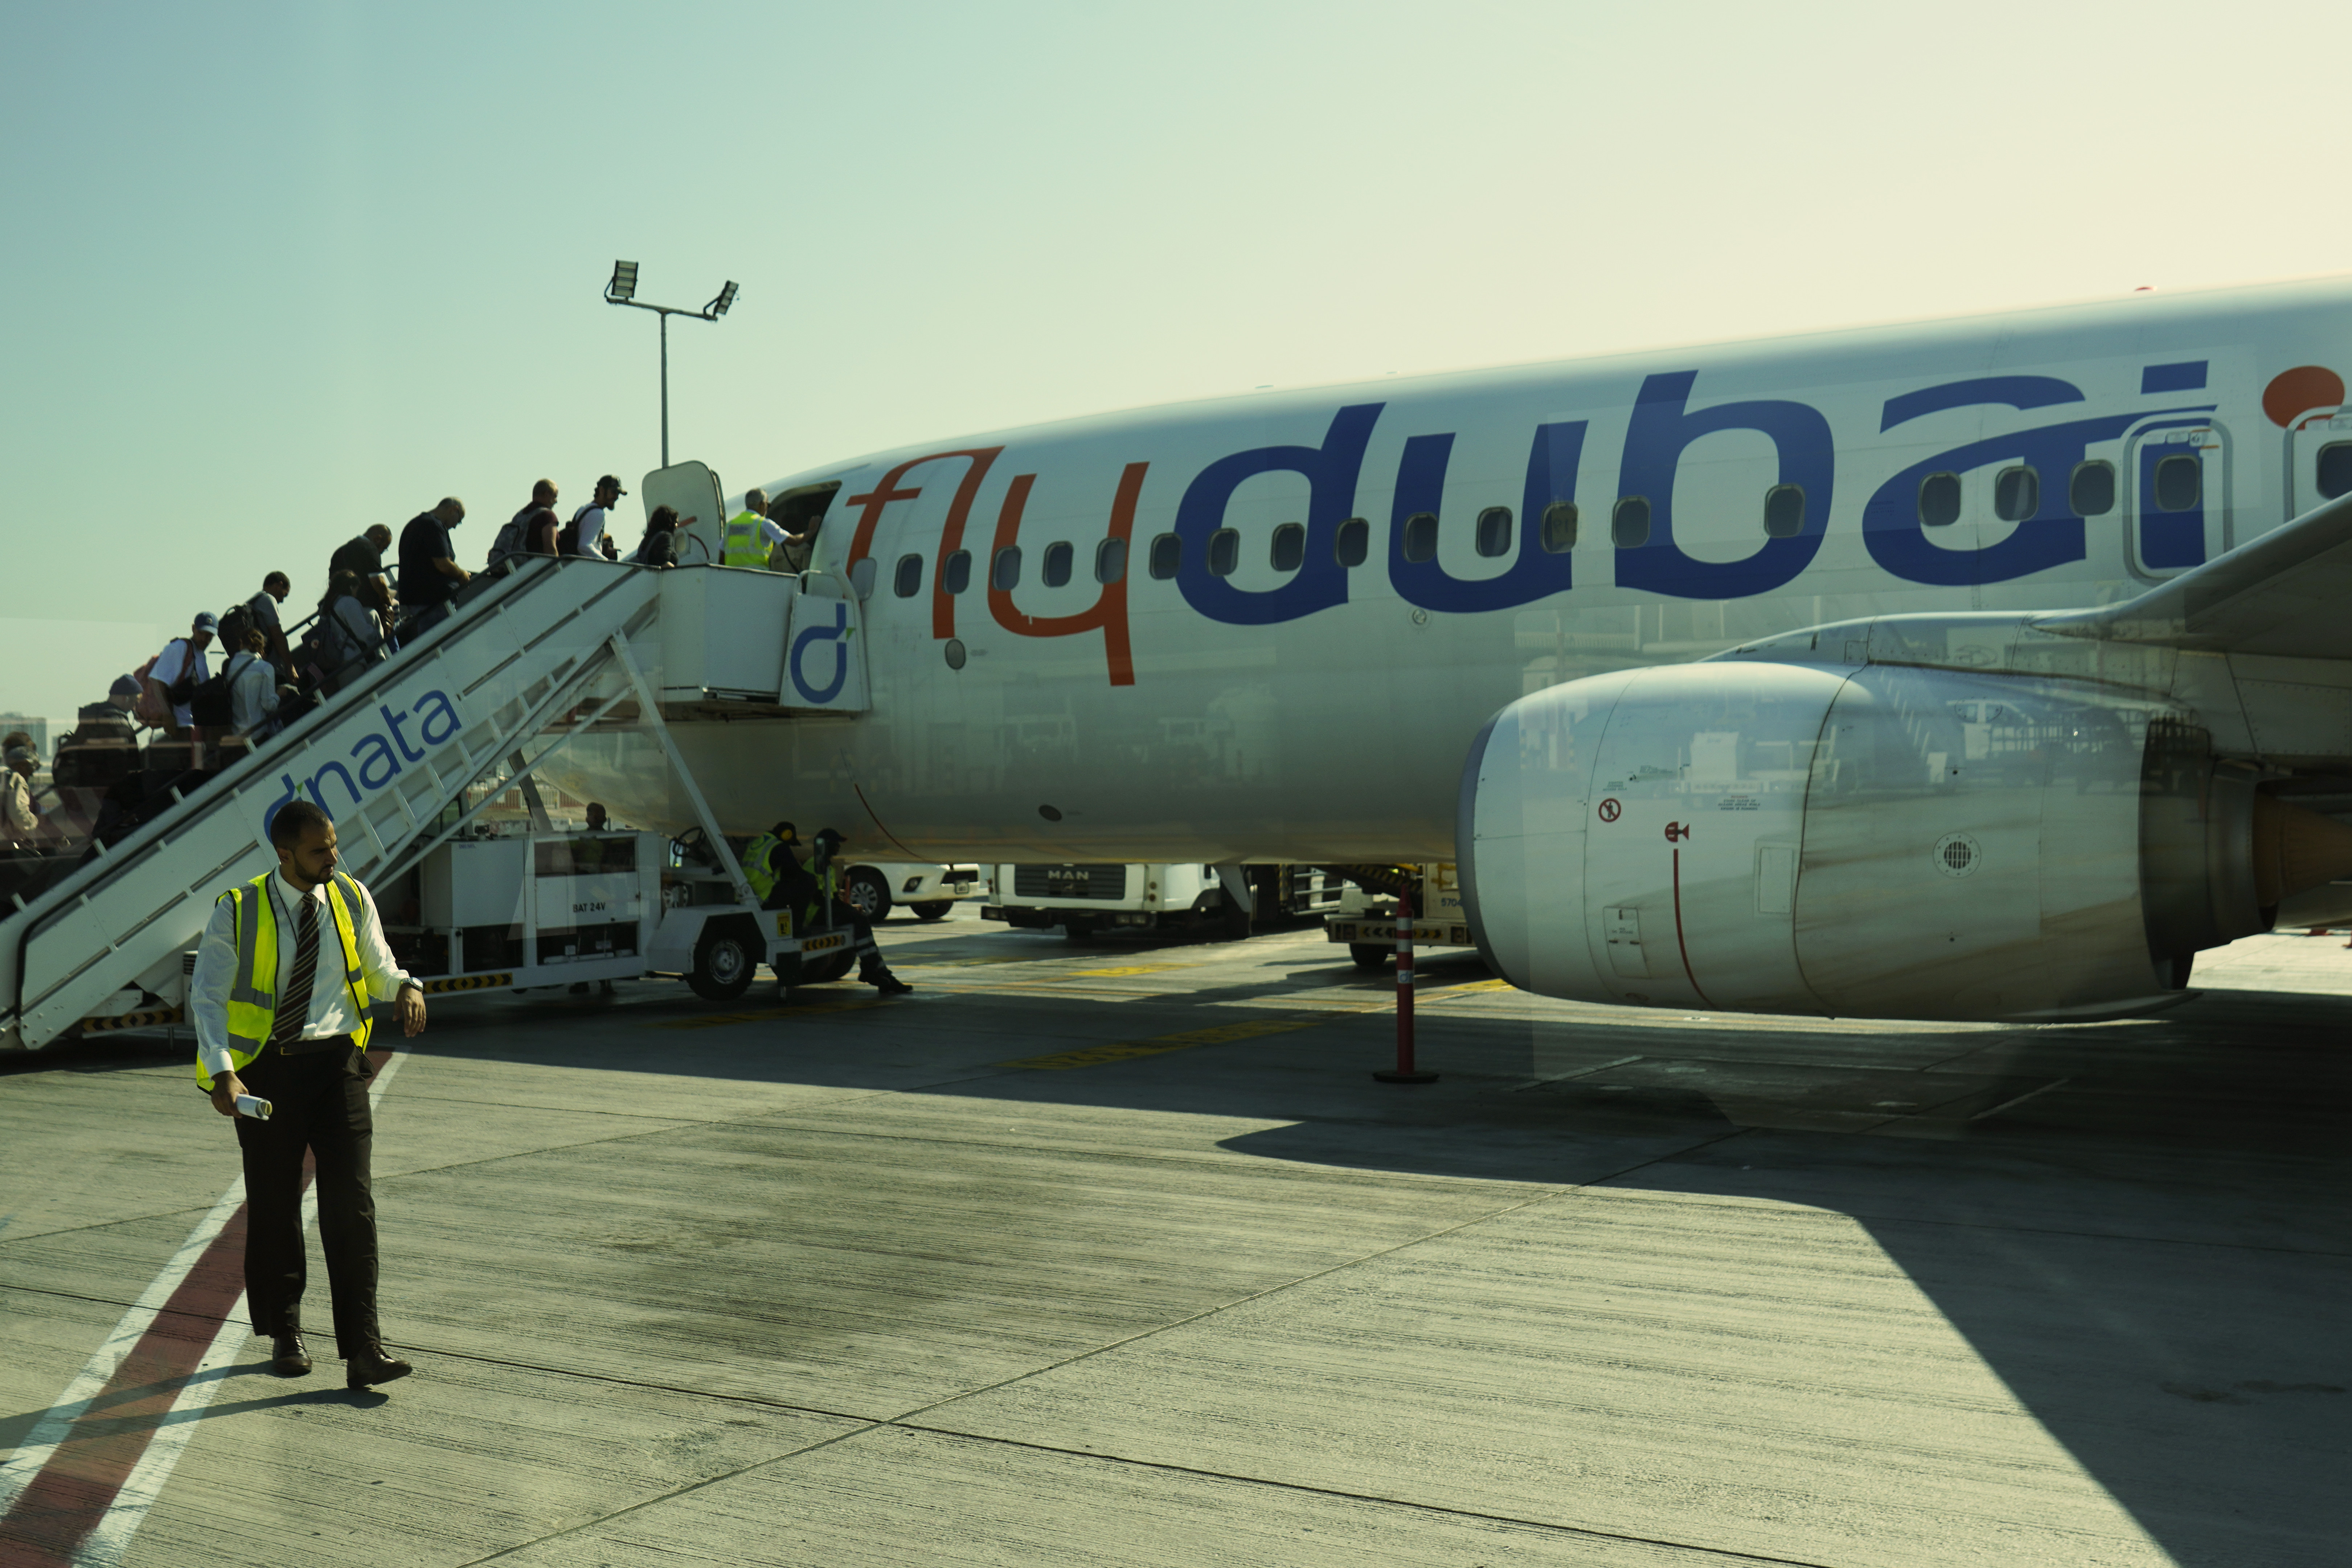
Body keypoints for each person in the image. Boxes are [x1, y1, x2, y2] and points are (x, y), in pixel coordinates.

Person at [192, 798, 426, 1390]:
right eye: (321, 849)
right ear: (285, 852)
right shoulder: (239, 910)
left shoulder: (349, 896)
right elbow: (210, 998)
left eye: (334, 844)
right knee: (274, 1205)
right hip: (267, 1070)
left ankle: (364, 1347)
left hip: (340, 1065)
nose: (333, 856)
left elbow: (377, 963)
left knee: (353, 1206)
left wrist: (403, 986)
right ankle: (285, 1330)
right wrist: (223, 1072)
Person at [775, 826, 910, 995]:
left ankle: (880, 973)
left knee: (859, 923)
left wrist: (844, 907)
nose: (839, 847)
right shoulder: (815, 865)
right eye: (836, 843)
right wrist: (844, 908)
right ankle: (875, 972)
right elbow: (817, 898)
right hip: (815, 914)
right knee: (859, 921)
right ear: (827, 845)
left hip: (824, 911)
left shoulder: (827, 866)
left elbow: (830, 897)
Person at [146, 613, 218, 774]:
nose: (205, 639)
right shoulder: (180, 648)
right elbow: (157, 681)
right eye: (202, 634)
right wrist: (167, 715)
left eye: (210, 636)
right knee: (190, 772)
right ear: (193, 629)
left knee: (196, 771)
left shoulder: (200, 655)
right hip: (181, 725)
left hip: (194, 725)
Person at [54, 677, 144, 791]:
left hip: (82, 788)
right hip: (110, 793)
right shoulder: (121, 726)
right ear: (124, 699)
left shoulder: (90, 717)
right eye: (134, 702)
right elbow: (127, 766)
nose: (134, 708)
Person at [397, 497, 470, 636]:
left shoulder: (414, 524)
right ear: (454, 510)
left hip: (417, 599)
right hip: (434, 600)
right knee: (444, 644)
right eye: (459, 521)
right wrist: (462, 575)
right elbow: (443, 564)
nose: (455, 526)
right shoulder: (433, 525)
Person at [720, 489, 789, 568]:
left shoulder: (730, 525)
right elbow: (795, 541)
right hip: (757, 577)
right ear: (762, 504)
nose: (767, 509)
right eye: (768, 505)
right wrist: (807, 534)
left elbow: (722, 555)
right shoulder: (763, 523)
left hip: (731, 577)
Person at [566, 474, 626, 558]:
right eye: (614, 492)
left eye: (618, 494)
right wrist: (606, 564)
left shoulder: (584, 508)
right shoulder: (598, 514)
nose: (616, 497)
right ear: (602, 490)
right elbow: (584, 546)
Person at [245, 572, 294, 672]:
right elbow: (277, 634)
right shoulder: (268, 599)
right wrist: (290, 666)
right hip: (270, 666)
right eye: (284, 595)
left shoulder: (253, 602)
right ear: (279, 586)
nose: (282, 601)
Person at [2, 738, 44, 847]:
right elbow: (19, 814)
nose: (30, 776)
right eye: (30, 771)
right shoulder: (15, 779)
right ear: (22, 766)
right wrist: (37, 826)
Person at [329, 523, 395, 587]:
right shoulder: (371, 549)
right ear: (377, 539)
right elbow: (379, 584)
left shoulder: (339, 552)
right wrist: (388, 597)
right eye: (384, 548)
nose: (381, 552)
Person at [628, 504, 689, 568]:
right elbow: (663, 563)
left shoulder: (647, 539)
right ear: (670, 523)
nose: (677, 526)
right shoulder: (665, 537)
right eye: (676, 523)